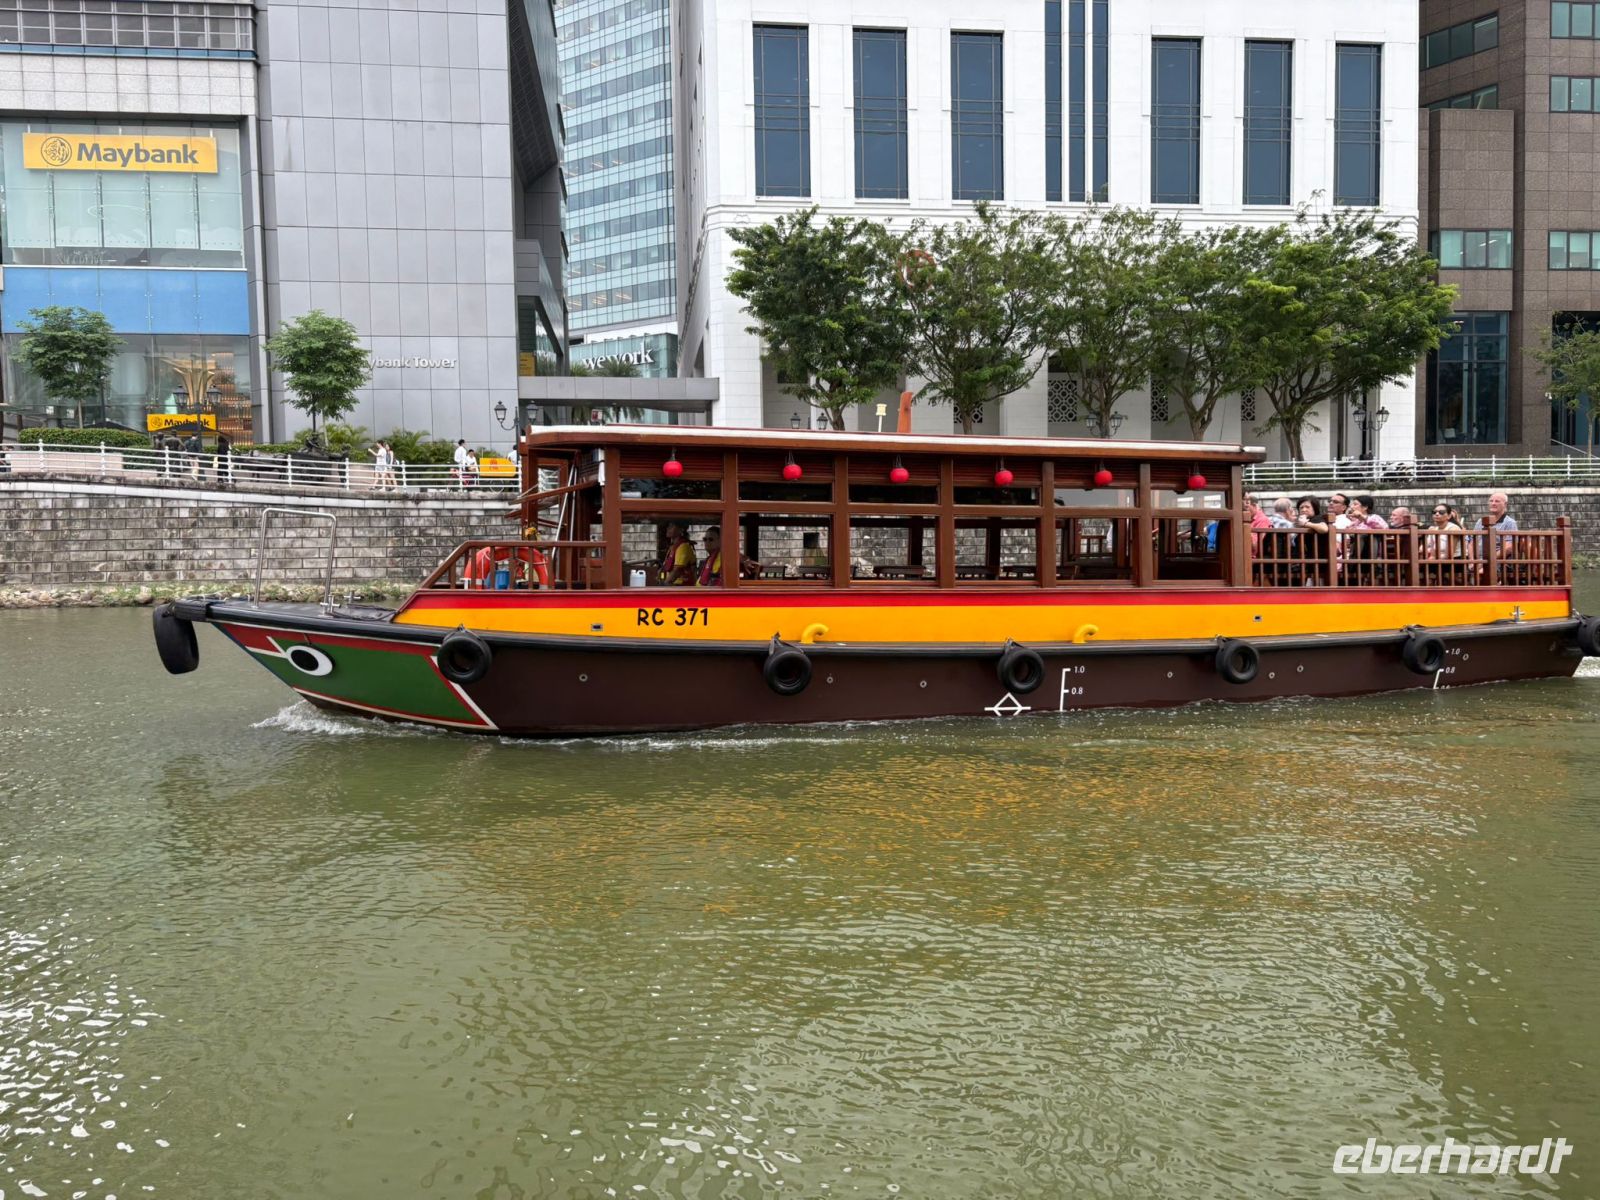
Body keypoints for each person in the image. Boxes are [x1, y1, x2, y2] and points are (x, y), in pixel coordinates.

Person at [697, 525, 761, 586]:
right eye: (705, 539)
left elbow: (739, 557)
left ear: (721, 540)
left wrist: (746, 561)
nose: (707, 542)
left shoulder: (725, 554)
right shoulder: (709, 559)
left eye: (711, 539)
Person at [659, 521, 697, 585]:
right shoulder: (673, 547)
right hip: (672, 585)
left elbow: (676, 571)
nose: (668, 528)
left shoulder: (683, 546)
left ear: (681, 530)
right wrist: (661, 579)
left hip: (682, 587)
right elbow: (664, 569)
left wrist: (664, 585)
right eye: (668, 526)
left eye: (671, 526)